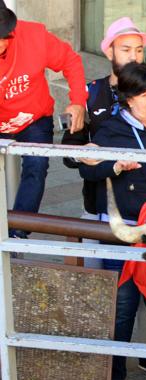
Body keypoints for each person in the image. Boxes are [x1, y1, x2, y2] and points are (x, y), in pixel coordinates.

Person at [78, 62, 146, 380]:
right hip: (125, 236)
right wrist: (114, 166)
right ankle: (113, 377)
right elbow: (90, 171)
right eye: (143, 96)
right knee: (121, 308)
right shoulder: (111, 130)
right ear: (128, 101)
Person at [62, 16, 146, 215]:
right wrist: (83, 154)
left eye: (139, 50)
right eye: (126, 49)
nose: (134, 57)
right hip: (98, 204)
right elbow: (68, 154)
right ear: (108, 52)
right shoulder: (90, 94)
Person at [0, 1, 86, 238]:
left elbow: (70, 60)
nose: (2, 42)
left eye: (4, 35)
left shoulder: (33, 35)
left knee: (36, 167)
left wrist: (78, 101)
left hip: (33, 117)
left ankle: (18, 233)